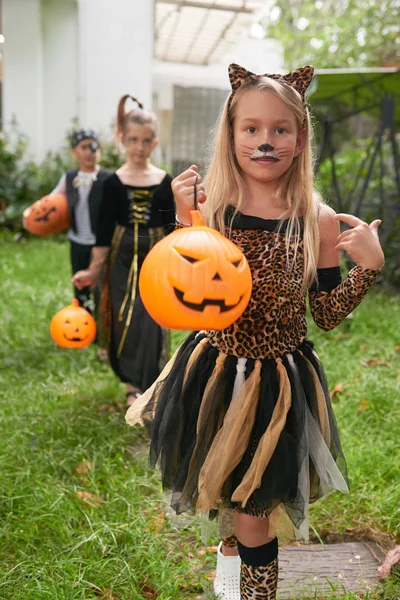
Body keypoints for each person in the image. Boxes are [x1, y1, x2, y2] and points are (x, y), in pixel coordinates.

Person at [125, 63, 384, 600]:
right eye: (252, 129)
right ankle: (228, 575)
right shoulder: (214, 207)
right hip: (215, 371)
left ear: (300, 137)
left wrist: (368, 269)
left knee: (255, 506)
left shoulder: (318, 219)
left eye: (279, 130)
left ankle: (254, 593)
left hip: (277, 387)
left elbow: (327, 314)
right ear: (231, 132)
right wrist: (183, 219)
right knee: (224, 490)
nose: (265, 141)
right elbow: (184, 289)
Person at [73, 96, 175, 405]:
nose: (139, 147)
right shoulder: (113, 183)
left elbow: (172, 229)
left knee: (151, 316)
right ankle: (131, 384)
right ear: (122, 140)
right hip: (119, 260)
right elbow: (103, 233)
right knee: (123, 316)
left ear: (154, 142)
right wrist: (94, 269)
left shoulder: (164, 181)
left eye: (146, 141)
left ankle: (151, 381)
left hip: (155, 259)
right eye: (133, 140)